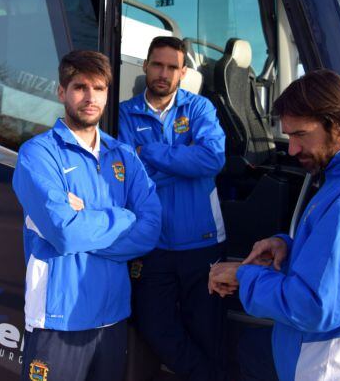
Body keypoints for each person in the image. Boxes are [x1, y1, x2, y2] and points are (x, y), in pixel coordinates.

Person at [208, 69, 340, 381]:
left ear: (337, 126)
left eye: (300, 135)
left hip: (336, 367)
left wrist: (244, 276)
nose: (293, 149)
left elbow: (314, 305)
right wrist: (289, 246)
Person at [12, 50, 162, 381]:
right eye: (80, 87)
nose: (90, 97)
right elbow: (66, 233)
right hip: (59, 319)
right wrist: (124, 217)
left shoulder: (123, 154)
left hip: (113, 319)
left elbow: (151, 228)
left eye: (99, 88)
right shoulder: (37, 154)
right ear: (61, 92)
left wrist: (88, 222)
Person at [118, 36, 227, 380]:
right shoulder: (122, 113)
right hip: (152, 244)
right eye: (157, 65)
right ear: (146, 66)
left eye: (172, 67)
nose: (163, 73)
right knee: (154, 326)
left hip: (203, 241)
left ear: (182, 73)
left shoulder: (199, 109)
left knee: (207, 332)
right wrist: (184, 162)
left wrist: (148, 153)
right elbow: (127, 177)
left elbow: (212, 158)